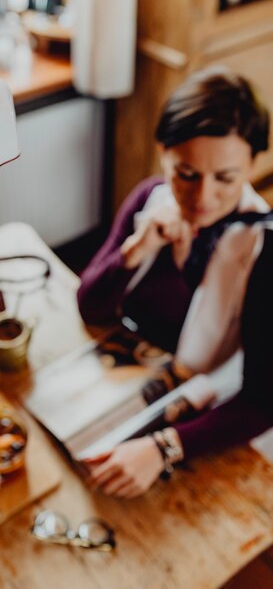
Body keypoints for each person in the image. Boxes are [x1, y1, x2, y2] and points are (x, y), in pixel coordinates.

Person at [77, 66, 273, 498]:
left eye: (226, 178)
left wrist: (165, 448)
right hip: (122, 382)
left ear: (253, 163)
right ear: (163, 152)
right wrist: (136, 249)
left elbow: (263, 400)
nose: (203, 199)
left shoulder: (262, 250)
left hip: (199, 420)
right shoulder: (151, 199)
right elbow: (90, 306)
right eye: (186, 173)